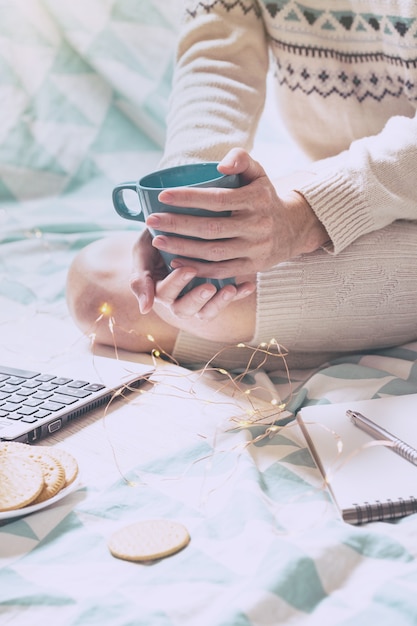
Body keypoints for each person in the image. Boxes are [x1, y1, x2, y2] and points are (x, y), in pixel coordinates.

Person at [66, 0, 417, 372]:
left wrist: (311, 212)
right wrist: (185, 212)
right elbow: (217, 58)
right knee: (98, 285)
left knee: (194, 306)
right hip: (341, 175)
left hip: (356, 184)